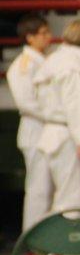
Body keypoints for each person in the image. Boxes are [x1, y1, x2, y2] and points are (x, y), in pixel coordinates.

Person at [33, 19, 80, 215]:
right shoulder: (74, 66)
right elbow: (75, 104)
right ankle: (68, 234)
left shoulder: (53, 60)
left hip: (49, 130)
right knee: (70, 196)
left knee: (47, 194)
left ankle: (44, 233)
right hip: (66, 134)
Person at [8, 15, 51, 231]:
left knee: (49, 188)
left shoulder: (44, 61)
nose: (48, 37)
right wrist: (56, 115)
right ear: (29, 37)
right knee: (38, 188)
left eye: (47, 32)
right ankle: (33, 238)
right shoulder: (23, 65)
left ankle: (47, 237)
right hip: (35, 130)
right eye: (43, 33)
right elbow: (26, 103)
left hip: (48, 130)